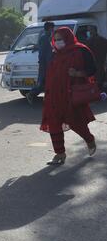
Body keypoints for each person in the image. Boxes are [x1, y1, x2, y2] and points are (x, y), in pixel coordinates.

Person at [41, 27, 97, 166]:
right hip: (54, 95)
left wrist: (77, 74)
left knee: (76, 122)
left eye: (61, 39)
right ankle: (59, 154)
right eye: (56, 39)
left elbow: (92, 69)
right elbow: (50, 74)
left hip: (71, 95)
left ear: (68, 37)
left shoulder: (81, 50)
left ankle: (89, 139)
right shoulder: (56, 53)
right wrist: (46, 92)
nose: (58, 42)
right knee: (54, 124)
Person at [27, 22, 55, 104]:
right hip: (45, 64)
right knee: (42, 81)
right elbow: (42, 52)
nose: (53, 29)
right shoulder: (44, 38)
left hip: (49, 63)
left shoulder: (50, 37)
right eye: (52, 28)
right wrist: (43, 62)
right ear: (49, 28)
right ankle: (31, 94)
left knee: (47, 81)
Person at [86, 26, 107, 91]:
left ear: (94, 30)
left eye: (89, 30)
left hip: (93, 65)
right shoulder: (104, 40)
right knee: (101, 79)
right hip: (101, 64)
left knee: (95, 81)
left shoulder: (89, 41)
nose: (88, 32)